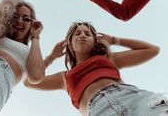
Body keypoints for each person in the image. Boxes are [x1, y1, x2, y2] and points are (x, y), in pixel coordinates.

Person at [24, 21, 168, 116]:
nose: (82, 35)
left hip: (132, 97)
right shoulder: (64, 77)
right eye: (77, 33)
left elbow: (152, 50)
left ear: (95, 42)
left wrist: (114, 40)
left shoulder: (108, 59)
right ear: (70, 44)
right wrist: (52, 56)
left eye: (87, 34)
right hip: (98, 108)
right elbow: (29, 81)